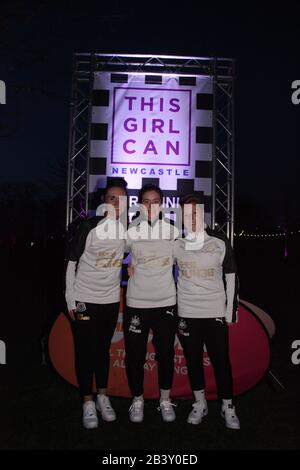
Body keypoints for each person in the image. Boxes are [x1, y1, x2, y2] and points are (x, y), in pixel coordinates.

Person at [65, 177, 128, 429]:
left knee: (102, 350)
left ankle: (103, 396)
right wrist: (70, 299)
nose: (115, 203)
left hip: (110, 301)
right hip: (83, 300)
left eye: (120, 199)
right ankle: (87, 401)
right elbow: (71, 263)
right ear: (103, 201)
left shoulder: (126, 231)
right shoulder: (88, 227)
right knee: (84, 350)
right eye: (111, 198)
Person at [174, 193, 240, 430]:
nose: (192, 218)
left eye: (196, 213)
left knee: (221, 361)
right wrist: (131, 264)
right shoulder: (177, 244)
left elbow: (231, 276)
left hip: (214, 312)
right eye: (187, 214)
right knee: (193, 360)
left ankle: (227, 405)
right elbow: (153, 263)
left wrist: (229, 311)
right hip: (187, 312)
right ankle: (199, 403)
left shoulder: (219, 240)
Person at [124, 183, 178, 423]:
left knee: (165, 354)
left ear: (162, 204)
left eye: (155, 201)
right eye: (145, 201)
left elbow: (188, 259)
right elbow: (114, 253)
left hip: (166, 301)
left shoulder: (173, 231)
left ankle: (165, 400)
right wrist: (127, 265)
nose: (150, 205)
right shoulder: (131, 231)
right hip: (136, 302)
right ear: (139, 204)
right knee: (135, 354)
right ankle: (138, 399)